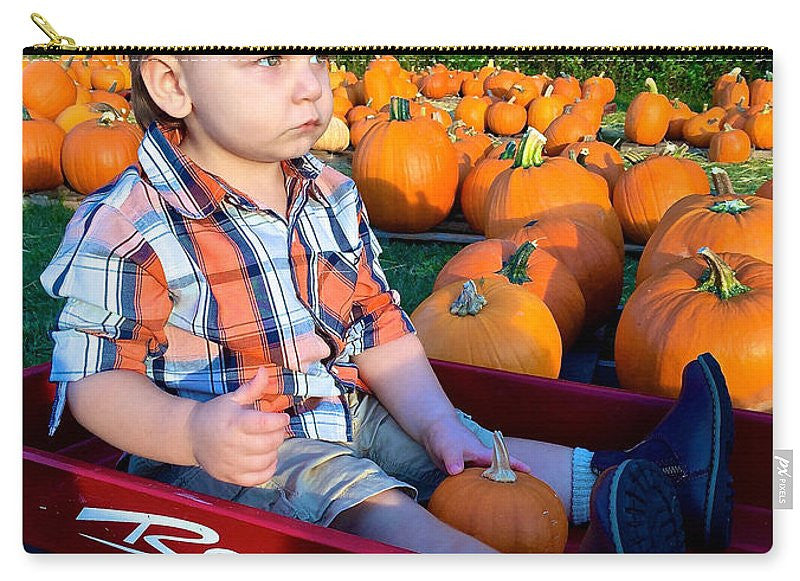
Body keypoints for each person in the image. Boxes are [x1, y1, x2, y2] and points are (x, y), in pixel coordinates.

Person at [40, 54, 733, 553]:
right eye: (269, 60)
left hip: (345, 407)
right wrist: (190, 433)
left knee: (465, 447)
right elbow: (95, 379)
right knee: (368, 499)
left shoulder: (331, 195)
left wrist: (435, 422)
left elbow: (379, 324)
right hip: (231, 453)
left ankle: (651, 481)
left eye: (313, 55)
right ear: (172, 83)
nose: (311, 83)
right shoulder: (127, 223)